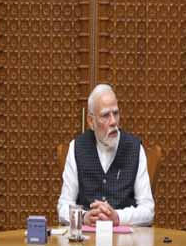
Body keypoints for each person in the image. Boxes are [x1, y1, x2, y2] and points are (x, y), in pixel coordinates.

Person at [57, 84, 155, 226]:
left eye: (115, 113)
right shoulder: (77, 147)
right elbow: (63, 206)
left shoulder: (134, 148)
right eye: (105, 116)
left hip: (125, 239)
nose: (113, 122)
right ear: (91, 121)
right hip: (88, 237)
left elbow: (148, 210)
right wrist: (84, 217)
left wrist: (118, 217)